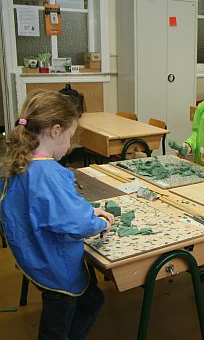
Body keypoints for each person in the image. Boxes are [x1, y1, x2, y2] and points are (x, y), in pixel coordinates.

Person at [0, 90, 115, 340]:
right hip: (56, 267)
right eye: (70, 137)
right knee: (55, 329)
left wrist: (86, 210)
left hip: (34, 258)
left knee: (91, 301)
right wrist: (98, 220)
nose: (70, 145)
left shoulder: (19, 162)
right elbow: (77, 222)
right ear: (55, 131)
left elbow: (45, 208)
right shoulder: (49, 173)